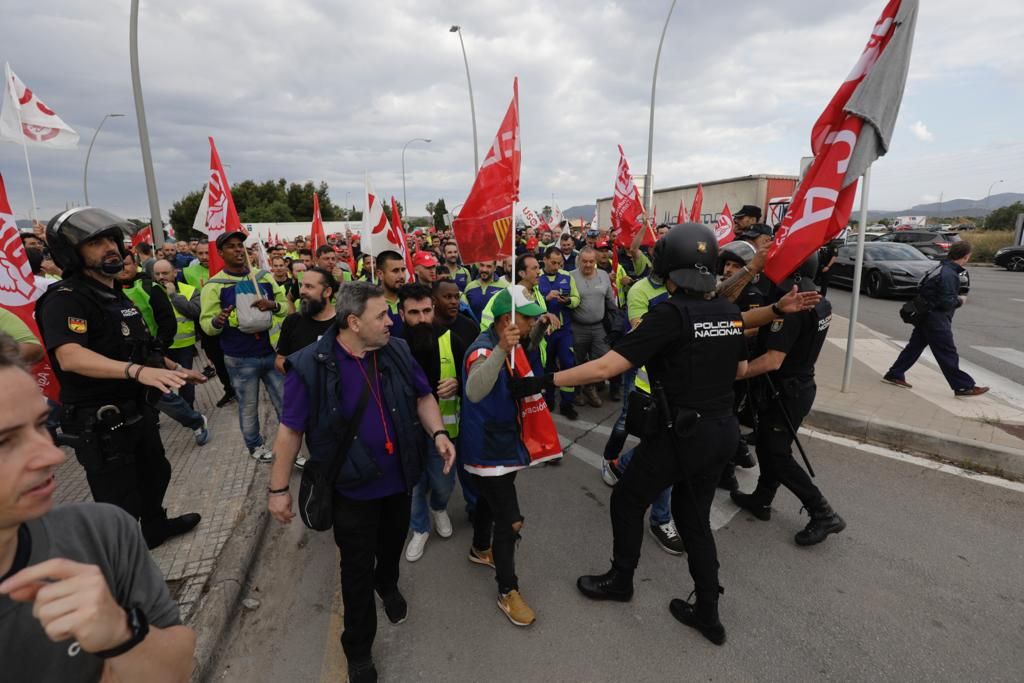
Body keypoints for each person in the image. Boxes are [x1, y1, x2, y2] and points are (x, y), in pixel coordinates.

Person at [509, 223, 819, 645]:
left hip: (681, 435)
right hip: (722, 433)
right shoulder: (724, 312)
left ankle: (621, 580)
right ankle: (708, 611)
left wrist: (541, 382)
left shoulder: (668, 315)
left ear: (667, 269)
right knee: (694, 521)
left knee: (626, 499)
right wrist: (777, 311)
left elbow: (605, 368)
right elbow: (739, 328)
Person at [267, 281, 455, 682]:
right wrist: (278, 490)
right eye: (381, 316)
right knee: (354, 572)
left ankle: (387, 584)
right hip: (351, 492)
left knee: (389, 550)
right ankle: (358, 651)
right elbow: (289, 431)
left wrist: (438, 433)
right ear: (353, 322)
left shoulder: (398, 351)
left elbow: (423, 397)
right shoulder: (309, 365)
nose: (391, 322)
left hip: (399, 481)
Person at [0, 333, 196, 682]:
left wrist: (122, 634)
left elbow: (177, 666)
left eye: (41, 425)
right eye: (5, 442)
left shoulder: (99, 533)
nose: (54, 455)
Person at [35, 208, 203, 549]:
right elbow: (70, 356)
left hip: (138, 413)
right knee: (119, 502)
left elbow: (135, 348)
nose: (110, 247)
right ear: (71, 252)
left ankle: (155, 528)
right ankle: (126, 565)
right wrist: (138, 372)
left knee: (156, 474)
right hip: (102, 423)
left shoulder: (115, 295)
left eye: (111, 240)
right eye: (96, 242)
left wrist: (173, 369)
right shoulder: (65, 299)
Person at [732, 253, 847, 546]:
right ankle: (762, 498)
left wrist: (735, 375)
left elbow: (772, 361)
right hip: (799, 386)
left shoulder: (793, 306)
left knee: (777, 455)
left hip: (785, 390)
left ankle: (823, 513)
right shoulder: (818, 300)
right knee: (773, 448)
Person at [460, 285, 555, 627]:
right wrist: (502, 348)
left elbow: (526, 347)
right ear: (505, 321)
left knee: (489, 501)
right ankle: (507, 590)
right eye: (526, 318)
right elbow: (474, 389)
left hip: (504, 442)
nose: (530, 323)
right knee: (511, 519)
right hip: (488, 448)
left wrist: (542, 326)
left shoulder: (508, 343)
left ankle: (479, 548)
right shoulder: (483, 350)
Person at [200, 230, 288, 462]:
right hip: (239, 358)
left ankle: (291, 444)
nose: (239, 250)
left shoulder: (264, 278)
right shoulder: (214, 286)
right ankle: (255, 446)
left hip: (271, 353)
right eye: (231, 246)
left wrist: (273, 306)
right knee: (248, 406)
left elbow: (285, 307)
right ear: (220, 253)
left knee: (286, 403)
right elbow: (206, 326)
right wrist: (217, 321)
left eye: (241, 245)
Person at [883, 241, 988, 397]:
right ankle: (963, 386)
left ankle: (895, 374)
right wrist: (960, 301)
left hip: (926, 316)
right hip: (936, 319)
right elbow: (946, 302)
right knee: (947, 352)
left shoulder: (939, 268)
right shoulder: (949, 274)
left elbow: (923, 288)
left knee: (914, 347)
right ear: (966, 256)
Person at [273, 266, 339, 470]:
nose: (302, 291)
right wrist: (299, 372)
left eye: (309, 286)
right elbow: (279, 359)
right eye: (302, 285)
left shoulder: (344, 322)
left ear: (327, 292)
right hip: (310, 409)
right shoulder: (293, 322)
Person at [181, 242, 236, 408]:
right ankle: (229, 390)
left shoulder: (227, 269)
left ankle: (241, 388)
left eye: (207, 253)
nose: (205, 257)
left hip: (231, 323)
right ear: (195, 254)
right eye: (200, 253)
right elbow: (189, 301)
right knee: (217, 361)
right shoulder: (187, 273)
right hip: (207, 324)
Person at [153, 258, 202, 410]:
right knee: (161, 382)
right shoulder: (149, 292)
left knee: (185, 380)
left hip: (184, 345)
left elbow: (195, 311)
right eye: (157, 273)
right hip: (159, 346)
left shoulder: (189, 290)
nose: (161, 277)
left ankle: (189, 411)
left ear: (175, 273)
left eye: (165, 273)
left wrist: (174, 296)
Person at [537, 246, 580, 419]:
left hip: (564, 330)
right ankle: (547, 399)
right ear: (545, 260)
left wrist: (568, 300)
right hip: (544, 332)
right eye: (553, 262)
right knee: (546, 366)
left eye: (559, 263)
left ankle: (567, 403)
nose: (556, 266)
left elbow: (577, 299)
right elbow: (528, 302)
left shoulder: (566, 276)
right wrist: (545, 300)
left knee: (568, 364)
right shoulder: (537, 277)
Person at [569, 246, 615, 407]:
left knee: (601, 358)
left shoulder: (603, 275)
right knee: (577, 360)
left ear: (595, 261)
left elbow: (610, 300)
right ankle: (577, 391)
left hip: (598, 327)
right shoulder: (571, 277)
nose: (588, 265)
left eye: (591, 261)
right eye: (584, 261)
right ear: (579, 261)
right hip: (578, 327)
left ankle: (590, 388)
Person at [375, 250, 408, 338]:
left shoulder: (410, 299)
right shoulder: (371, 303)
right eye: (395, 271)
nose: (401, 276)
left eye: (403, 270)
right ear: (380, 274)